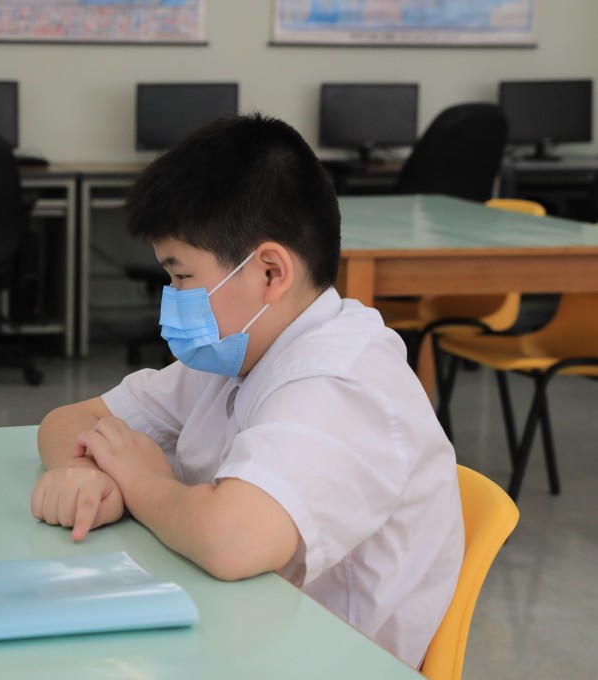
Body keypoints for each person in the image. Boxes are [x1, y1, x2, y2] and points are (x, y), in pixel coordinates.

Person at [29, 113, 464, 668]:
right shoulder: (240, 349)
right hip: (243, 634)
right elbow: (69, 421)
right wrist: (87, 479)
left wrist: (139, 480)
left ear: (269, 271)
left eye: (183, 277)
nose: (171, 296)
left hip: (327, 660)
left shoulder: (339, 379)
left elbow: (229, 541)